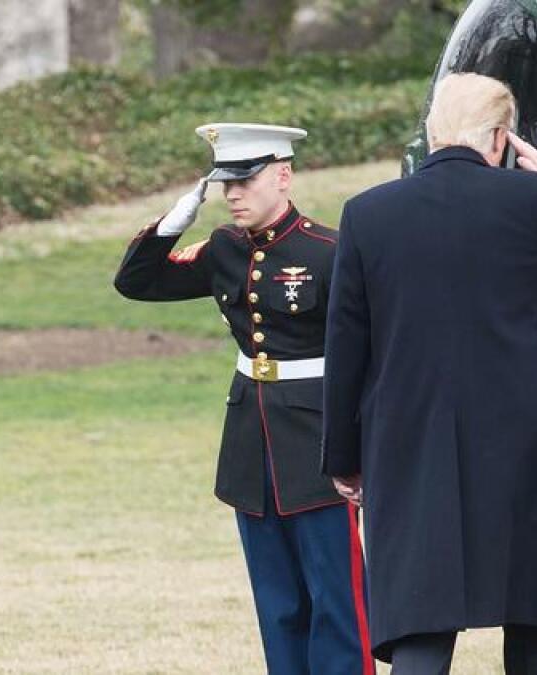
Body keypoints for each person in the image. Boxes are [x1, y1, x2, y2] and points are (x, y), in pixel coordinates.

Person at [321, 73, 537, 674]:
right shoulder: (536, 203)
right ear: (501, 138)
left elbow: (346, 346)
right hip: (528, 443)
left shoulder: (368, 214)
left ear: (435, 131)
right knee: (534, 626)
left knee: (420, 626)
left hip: (412, 440)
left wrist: (344, 456)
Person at [114, 124, 373, 675]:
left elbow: (369, 353)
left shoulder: (330, 251)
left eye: (245, 180)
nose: (232, 194)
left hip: (318, 443)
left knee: (337, 600)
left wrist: (359, 445)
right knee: (276, 603)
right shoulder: (226, 249)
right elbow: (137, 282)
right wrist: (174, 221)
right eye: (223, 183)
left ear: (283, 176)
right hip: (251, 446)